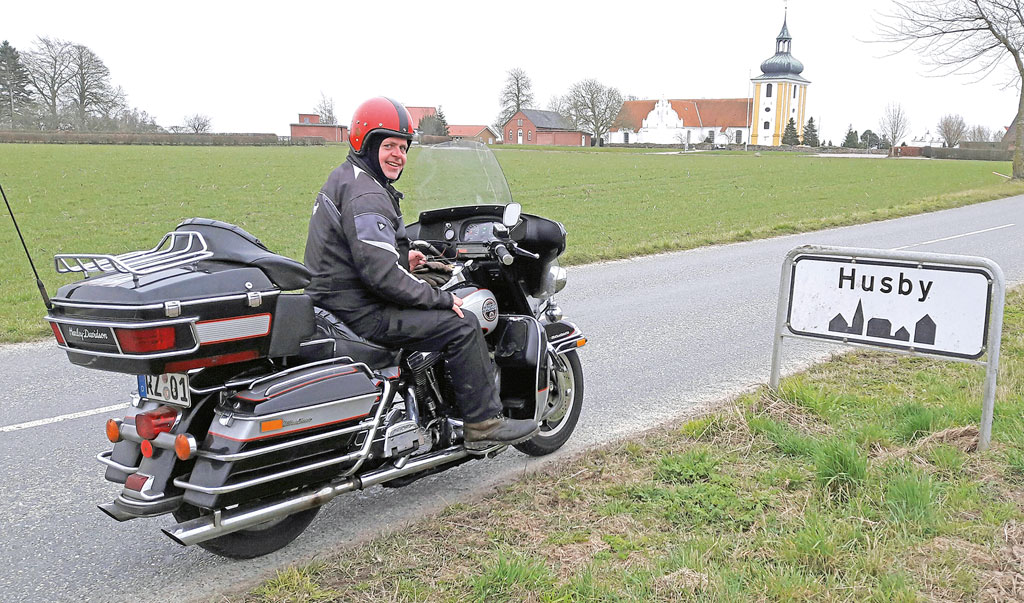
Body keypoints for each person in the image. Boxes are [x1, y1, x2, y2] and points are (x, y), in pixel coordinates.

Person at [303, 96, 538, 449]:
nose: (398, 155)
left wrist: (402, 257)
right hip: (360, 309)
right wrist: (440, 298)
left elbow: (363, 254)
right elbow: (382, 278)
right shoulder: (366, 194)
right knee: (462, 323)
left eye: (403, 147)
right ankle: (483, 425)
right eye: (389, 145)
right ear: (365, 143)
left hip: (336, 299)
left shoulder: (348, 178)